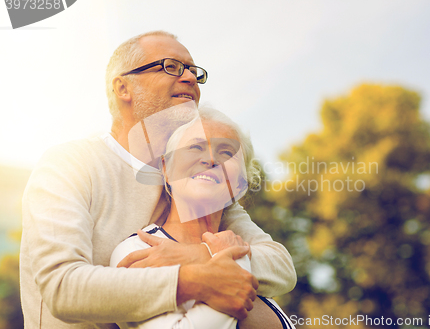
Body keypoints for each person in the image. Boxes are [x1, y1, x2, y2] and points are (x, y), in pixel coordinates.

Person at [20, 31, 296, 329]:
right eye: (171, 66)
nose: (190, 77)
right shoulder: (71, 163)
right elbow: (63, 288)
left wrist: (197, 255)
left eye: (193, 70)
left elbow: (279, 266)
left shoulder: (196, 184)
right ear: (123, 87)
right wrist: (193, 280)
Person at [110, 107, 295, 329]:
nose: (210, 159)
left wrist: (213, 255)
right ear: (167, 169)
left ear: (241, 184)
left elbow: (285, 270)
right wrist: (232, 261)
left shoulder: (249, 254)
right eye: (195, 147)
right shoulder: (139, 249)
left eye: (227, 152)